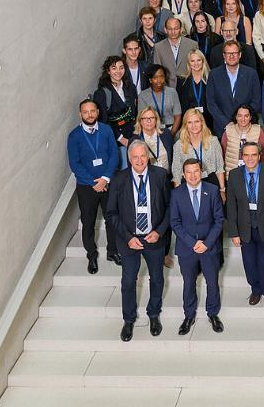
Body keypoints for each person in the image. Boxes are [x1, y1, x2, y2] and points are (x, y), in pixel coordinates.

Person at [108, 141, 170, 342]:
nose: (139, 160)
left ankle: (154, 314)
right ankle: (128, 319)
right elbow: (111, 213)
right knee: (128, 281)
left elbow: (170, 208)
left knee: (157, 279)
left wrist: (159, 232)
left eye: (143, 155)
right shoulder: (119, 179)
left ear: (148, 156)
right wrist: (128, 237)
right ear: (129, 158)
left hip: (154, 238)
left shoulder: (160, 176)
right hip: (129, 240)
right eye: (135, 157)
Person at [169, 158, 225, 335]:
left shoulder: (212, 190)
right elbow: (175, 222)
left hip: (210, 247)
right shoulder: (176, 194)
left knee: (212, 282)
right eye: (189, 172)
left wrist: (207, 243)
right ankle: (189, 315)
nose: (193, 175)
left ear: (201, 171)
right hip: (187, 248)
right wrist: (192, 243)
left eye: (196, 171)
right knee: (189, 283)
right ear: (183, 174)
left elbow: (219, 220)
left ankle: (213, 314)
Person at [68, 99, 120, 273]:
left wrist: (105, 178)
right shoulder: (74, 136)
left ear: (98, 112)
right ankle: (91, 255)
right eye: (85, 112)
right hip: (86, 187)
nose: (89, 115)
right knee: (88, 222)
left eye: (92, 111)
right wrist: (93, 182)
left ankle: (112, 251)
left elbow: (114, 155)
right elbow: (75, 164)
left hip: (107, 183)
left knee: (112, 219)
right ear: (80, 114)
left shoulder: (106, 130)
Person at [225, 142, 264, 306]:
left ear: (259, 156)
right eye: (246, 155)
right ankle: (256, 290)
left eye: (253, 155)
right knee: (249, 263)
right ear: (242, 157)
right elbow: (231, 205)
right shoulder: (234, 175)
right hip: (244, 227)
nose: (250, 158)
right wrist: (233, 232)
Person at [206, 40, 262, 134]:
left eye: (234, 53)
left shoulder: (251, 74)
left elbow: (256, 101)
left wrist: (243, 120)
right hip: (222, 128)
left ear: (240, 55)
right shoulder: (214, 75)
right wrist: (226, 123)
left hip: (247, 128)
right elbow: (211, 103)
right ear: (224, 55)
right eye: (228, 53)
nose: (231, 56)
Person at [93, 56, 137, 169]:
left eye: (121, 67)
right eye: (114, 68)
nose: (118, 71)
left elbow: (134, 112)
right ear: (108, 71)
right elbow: (103, 122)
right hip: (115, 139)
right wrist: (121, 139)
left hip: (133, 134)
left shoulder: (130, 87)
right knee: (124, 169)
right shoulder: (102, 93)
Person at [220, 104, 264, 173]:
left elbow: (263, 154)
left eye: (246, 116)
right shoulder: (228, 130)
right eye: (240, 116)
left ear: (250, 117)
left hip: (254, 172)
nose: (243, 119)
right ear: (236, 117)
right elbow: (222, 153)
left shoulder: (258, 130)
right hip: (232, 172)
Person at [153, 17, 199, 86]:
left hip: (189, 86)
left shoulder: (192, 45)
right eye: (170, 29)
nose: (173, 32)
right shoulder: (158, 47)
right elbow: (157, 71)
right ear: (165, 30)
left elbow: (198, 67)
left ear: (181, 29)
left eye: (176, 28)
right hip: (167, 87)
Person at [138, 65, 181, 134]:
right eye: (155, 77)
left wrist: (171, 134)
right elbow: (142, 119)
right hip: (151, 130)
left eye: (161, 76)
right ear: (150, 80)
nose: (159, 80)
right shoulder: (143, 95)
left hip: (172, 129)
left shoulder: (172, 92)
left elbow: (178, 116)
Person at [176, 49, 212, 128]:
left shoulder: (211, 79)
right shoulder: (182, 81)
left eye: (198, 60)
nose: (196, 63)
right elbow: (180, 105)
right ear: (189, 63)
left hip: (208, 121)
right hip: (189, 122)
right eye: (192, 61)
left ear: (203, 61)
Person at [133, 106, 174, 172]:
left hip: (168, 175)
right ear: (140, 121)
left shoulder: (166, 134)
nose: (149, 121)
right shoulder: (135, 141)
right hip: (148, 176)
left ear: (156, 120)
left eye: (152, 118)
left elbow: (172, 157)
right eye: (145, 118)